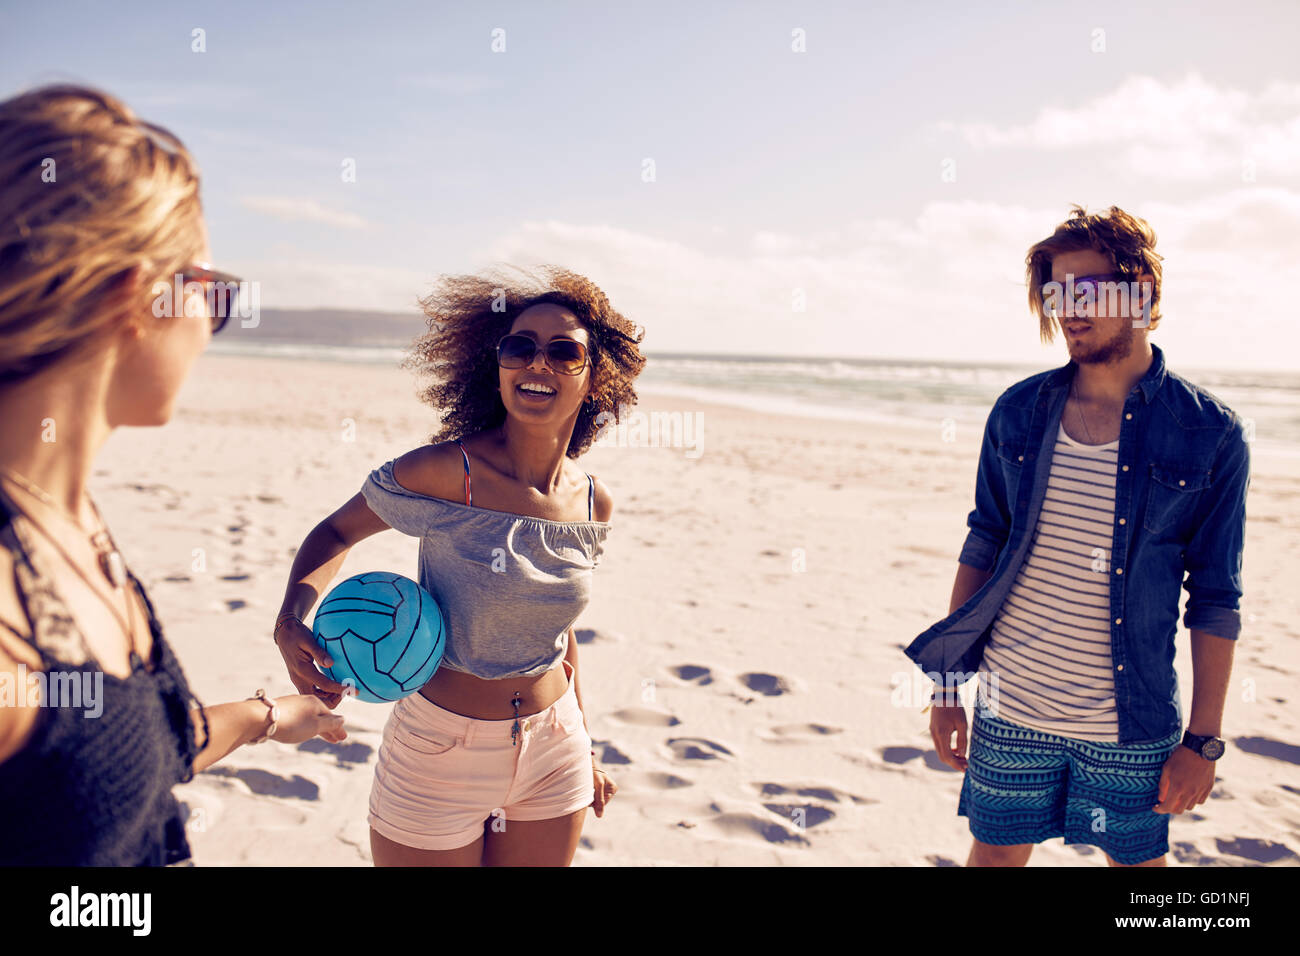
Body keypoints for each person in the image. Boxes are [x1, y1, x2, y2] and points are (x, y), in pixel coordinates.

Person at [0, 84, 346, 866]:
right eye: (215, 296)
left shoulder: (65, 520)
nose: (213, 328)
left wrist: (266, 717)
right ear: (138, 296)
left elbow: (106, 758)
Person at [905, 205, 1249, 867]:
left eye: (1087, 289)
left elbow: (1214, 598)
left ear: (1141, 292)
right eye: (1058, 292)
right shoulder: (1018, 411)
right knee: (995, 856)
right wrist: (947, 690)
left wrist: (1202, 742)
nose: (1069, 308)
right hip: (1011, 707)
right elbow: (983, 543)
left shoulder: (1210, 434)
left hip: (1130, 724)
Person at [273, 267, 645, 866]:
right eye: (519, 347)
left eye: (563, 351)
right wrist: (291, 619)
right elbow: (336, 530)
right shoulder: (450, 475)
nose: (536, 364)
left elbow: (555, 631)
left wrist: (587, 745)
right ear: (497, 366)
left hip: (556, 749)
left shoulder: (593, 501)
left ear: (595, 374)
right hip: (438, 750)